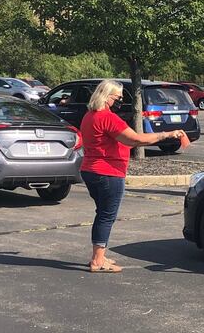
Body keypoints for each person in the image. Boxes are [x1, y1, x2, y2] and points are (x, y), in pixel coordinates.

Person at [80, 80, 186, 273]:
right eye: (117, 97)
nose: (120, 101)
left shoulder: (89, 116)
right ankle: (97, 260)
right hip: (108, 172)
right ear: (106, 96)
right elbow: (136, 139)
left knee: (102, 213)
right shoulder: (107, 118)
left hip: (91, 170)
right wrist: (166, 135)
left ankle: (99, 255)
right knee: (106, 215)